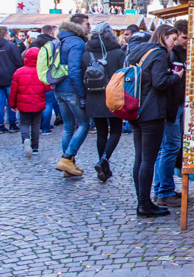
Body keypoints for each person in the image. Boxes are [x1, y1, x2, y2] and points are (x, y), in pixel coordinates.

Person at [127, 26, 181, 217]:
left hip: (135, 108)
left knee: (140, 158)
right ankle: (144, 204)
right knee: (148, 159)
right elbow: (160, 82)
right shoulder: (158, 53)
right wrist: (175, 76)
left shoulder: (141, 50)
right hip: (151, 112)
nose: (174, 43)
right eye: (172, 39)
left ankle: (142, 200)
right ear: (163, 37)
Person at [82, 23, 125, 182]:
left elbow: (81, 76)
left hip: (93, 97)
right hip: (113, 96)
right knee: (115, 130)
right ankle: (104, 161)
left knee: (101, 132)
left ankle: (103, 166)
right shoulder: (117, 52)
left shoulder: (86, 54)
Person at [154, 20, 188, 206]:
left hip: (172, 106)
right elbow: (162, 82)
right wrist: (176, 77)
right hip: (171, 107)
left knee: (167, 148)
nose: (180, 42)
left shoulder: (170, 53)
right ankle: (164, 191)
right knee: (170, 147)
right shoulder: (167, 55)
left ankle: (161, 189)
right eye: (179, 38)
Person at [53, 19, 90, 176]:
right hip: (71, 89)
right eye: (87, 24)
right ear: (79, 26)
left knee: (68, 126)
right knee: (84, 124)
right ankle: (67, 158)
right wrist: (81, 93)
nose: (89, 27)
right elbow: (74, 69)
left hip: (59, 87)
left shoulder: (59, 40)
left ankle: (69, 165)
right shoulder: (76, 42)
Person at [9, 47, 51, 158]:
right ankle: (35, 146)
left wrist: (12, 104)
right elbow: (48, 88)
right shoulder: (41, 72)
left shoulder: (18, 72)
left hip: (23, 104)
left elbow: (13, 90)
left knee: (24, 123)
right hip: (38, 103)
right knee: (36, 125)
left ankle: (26, 139)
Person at [32, 25, 62, 135]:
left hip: (35, 75)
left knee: (38, 101)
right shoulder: (55, 43)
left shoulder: (34, 43)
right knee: (48, 102)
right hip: (50, 75)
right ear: (52, 33)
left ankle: (38, 124)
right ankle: (45, 126)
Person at [0, 26, 23, 134]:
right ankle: (12, 124)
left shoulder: (10, 46)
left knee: (0, 103)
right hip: (10, 77)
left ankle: (1, 125)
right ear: (6, 34)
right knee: (11, 101)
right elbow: (18, 61)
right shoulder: (11, 46)